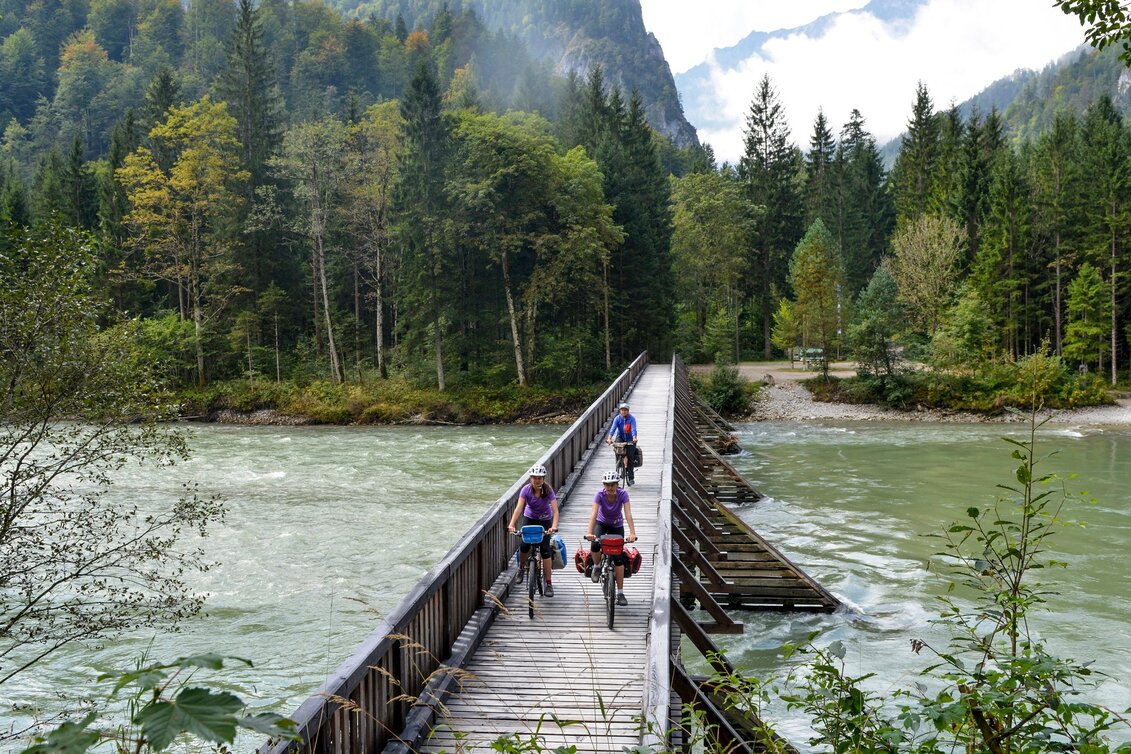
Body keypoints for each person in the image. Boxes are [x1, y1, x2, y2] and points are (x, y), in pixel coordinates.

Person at [585, 470, 637, 606]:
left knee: (618, 559)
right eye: (607, 485)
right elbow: (593, 514)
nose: (610, 488)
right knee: (595, 545)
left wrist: (632, 533)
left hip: (616, 525)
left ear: (617, 485)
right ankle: (596, 566)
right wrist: (590, 533)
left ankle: (620, 592)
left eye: (612, 485)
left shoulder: (623, 494)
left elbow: (628, 514)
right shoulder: (599, 494)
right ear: (604, 485)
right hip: (601, 523)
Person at [507, 464, 560, 597]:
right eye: (535, 478)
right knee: (524, 546)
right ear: (531, 478)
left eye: (540, 478)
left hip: (545, 520)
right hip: (530, 518)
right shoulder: (526, 490)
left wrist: (553, 526)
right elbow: (519, 508)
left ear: (543, 479)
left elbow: (555, 510)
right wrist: (512, 524)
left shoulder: (548, 490)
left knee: (545, 550)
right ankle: (521, 569)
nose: (537, 480)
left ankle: (548, 583)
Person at [606, 402, 638, 485]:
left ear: (628, 411)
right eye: (622, 410)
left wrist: (634, 437)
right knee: (618, 453)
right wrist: (609, 438)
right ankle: (619, 467)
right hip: (620, 437)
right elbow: (613, 429)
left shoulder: (632, 419)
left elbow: (633, 429)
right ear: (620, 411)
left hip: (630, 439)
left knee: (630, 457)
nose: (624, 412)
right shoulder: (617, 418)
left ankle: (631, 477)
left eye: (625, 410)